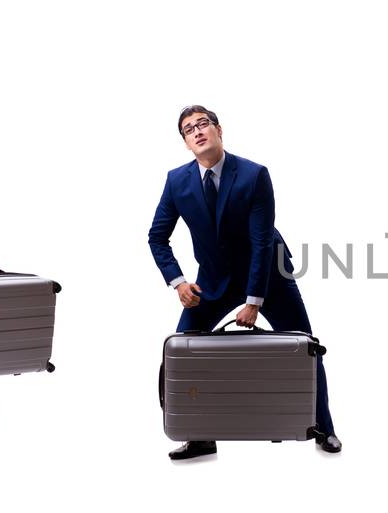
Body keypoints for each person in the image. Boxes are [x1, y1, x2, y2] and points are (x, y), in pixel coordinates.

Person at [148, 105, 341, 460]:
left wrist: (254, 301)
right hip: (213, 281)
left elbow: (262, 242)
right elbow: (157, 237)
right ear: (187, 143)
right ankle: (199, 436)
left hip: (269, 274)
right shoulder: (177, 180)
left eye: (203, 124)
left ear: (219, 130)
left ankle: (324, 429)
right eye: (189, 129)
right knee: (184, 354)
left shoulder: (254, 175)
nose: (197, 131)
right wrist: (178, 282)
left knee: (306, 348)